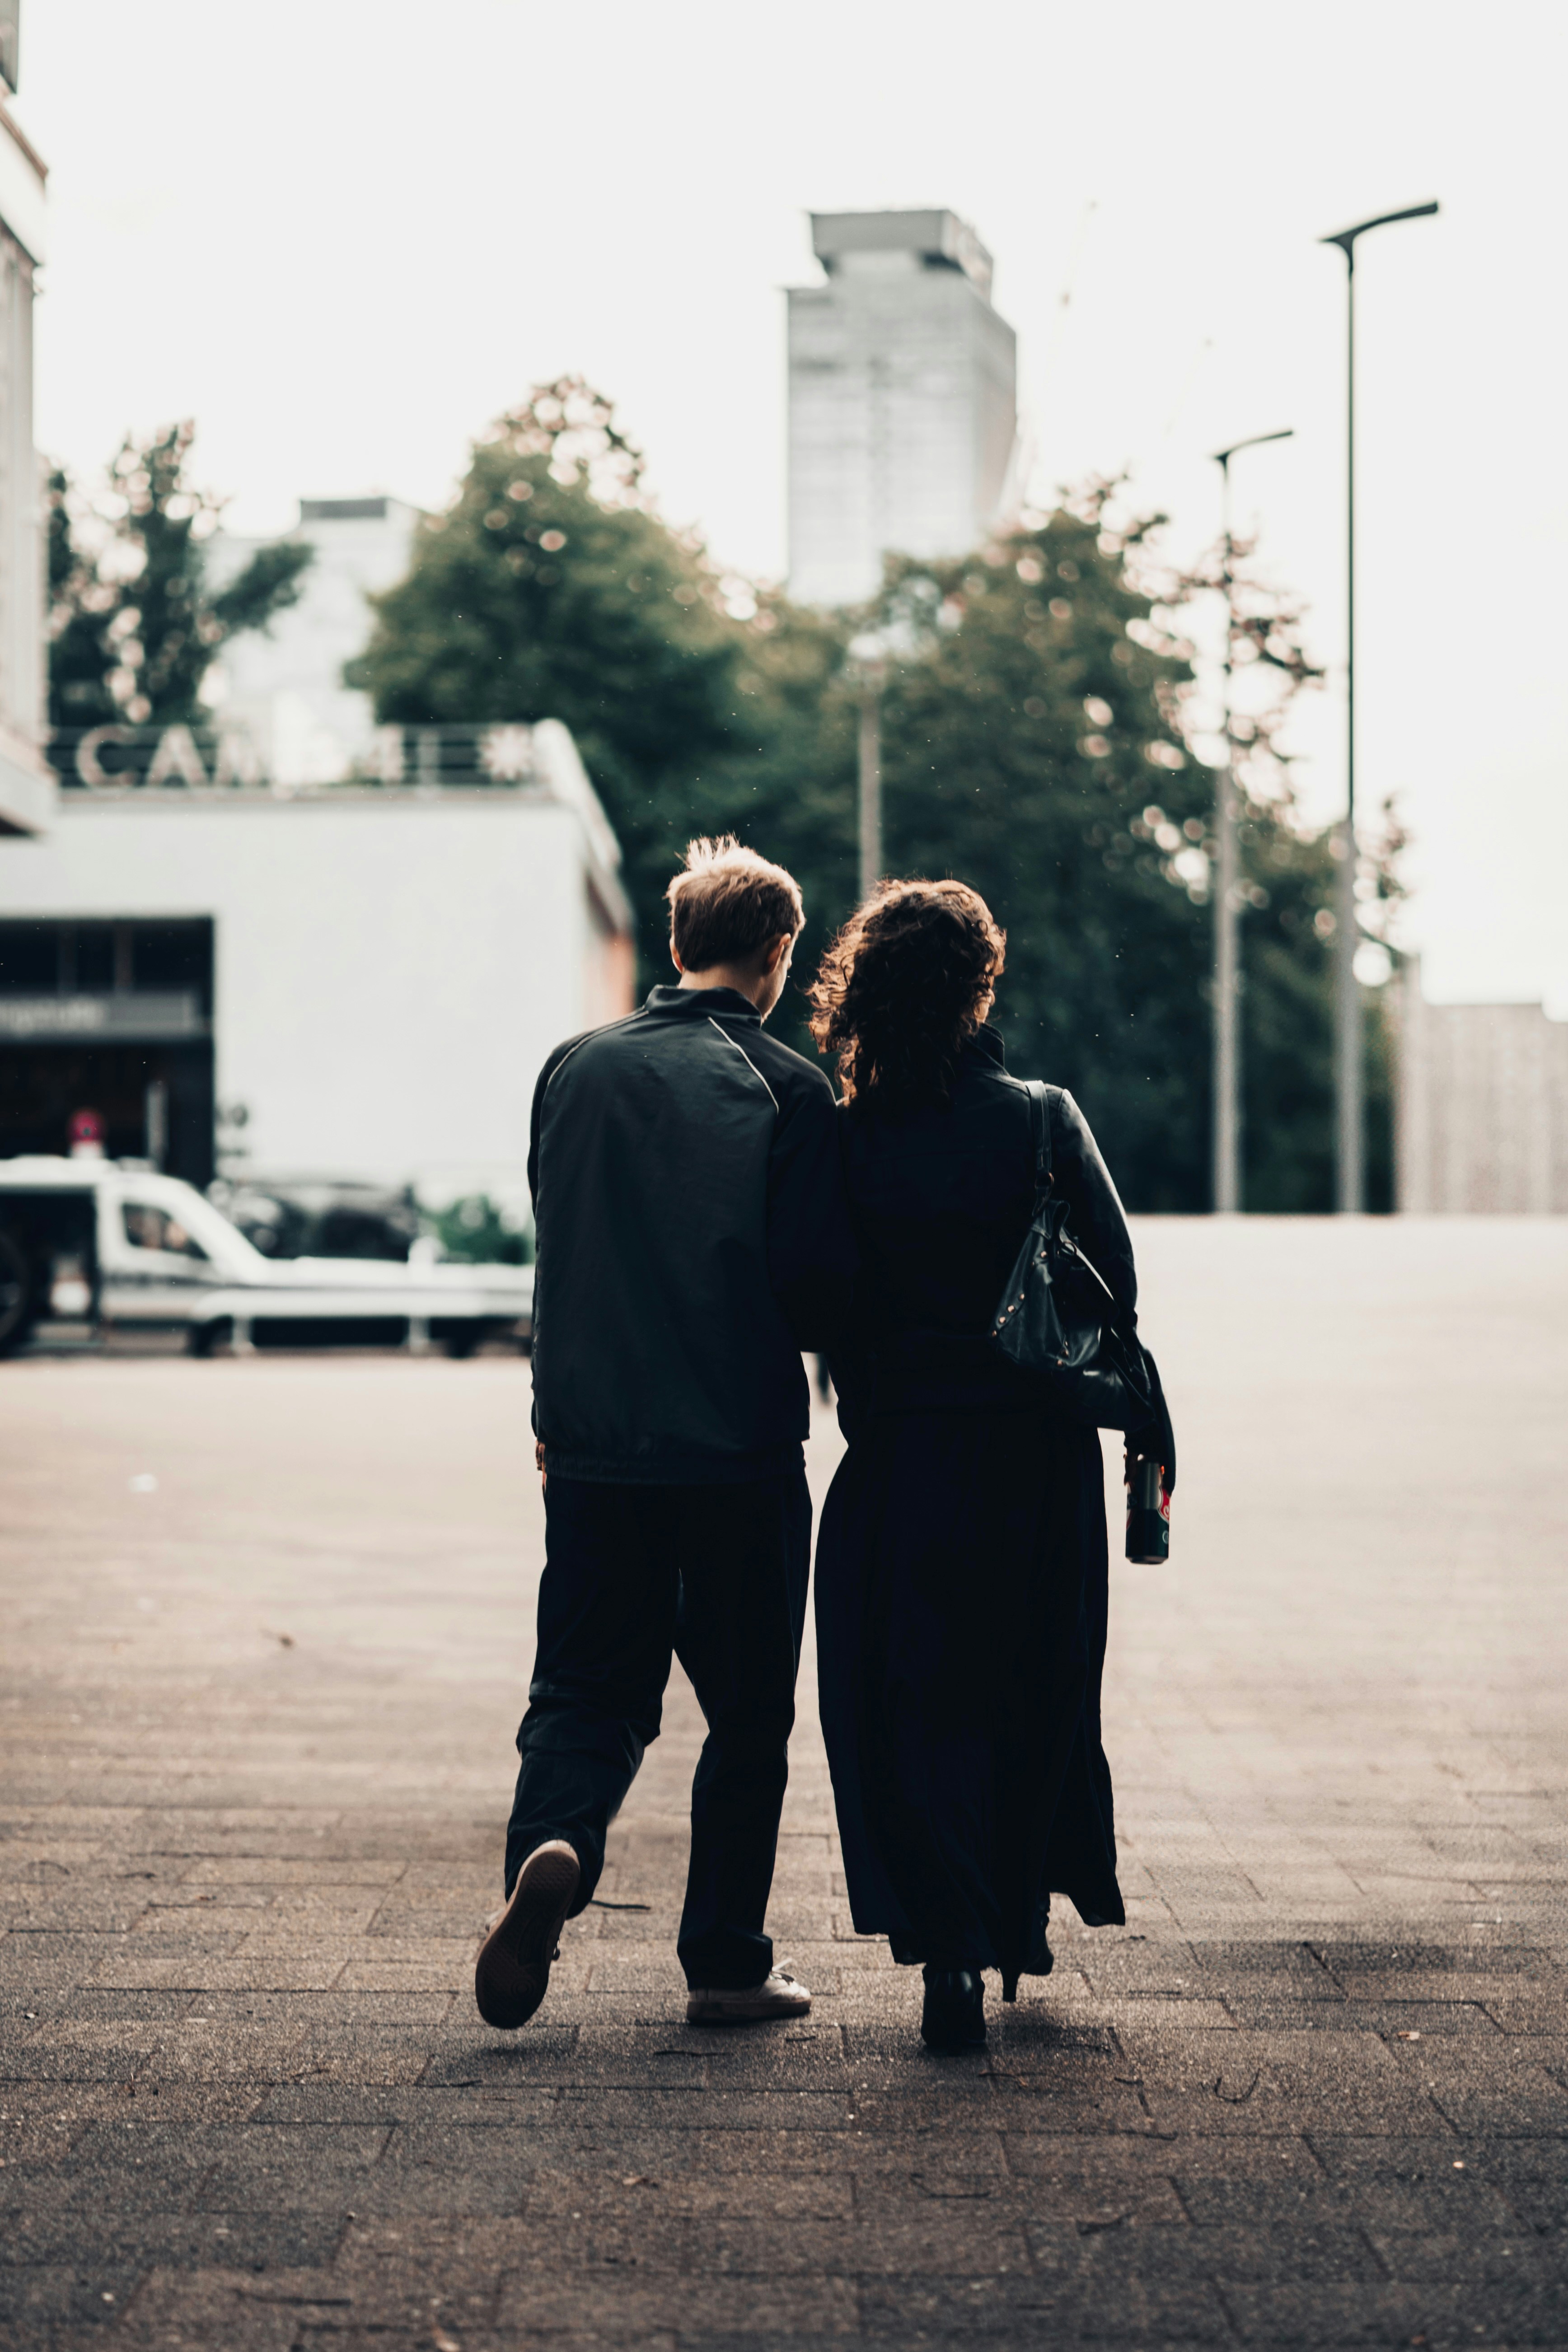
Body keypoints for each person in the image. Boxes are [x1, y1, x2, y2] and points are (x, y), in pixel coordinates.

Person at [476, 837, 855, 2033]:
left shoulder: (570, 1071)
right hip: (736, 1451)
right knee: (749, 1713)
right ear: (779, 953)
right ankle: (728, 1963)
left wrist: (553, 1414)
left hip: (592, 1451)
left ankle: (557, 1845)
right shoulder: (791, 1091)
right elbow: (808, 1283)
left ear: (678, 941)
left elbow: (558, 1255)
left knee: (586, 1684)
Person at [806, 879, 1173, 2054]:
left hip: (902, 1463)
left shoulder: (844, 1133)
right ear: (980, 984)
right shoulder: (1039, 1116)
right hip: (1031, 1460)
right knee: (1029, 1684)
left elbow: (816, 1297)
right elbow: (1116, 1277)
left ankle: (950, 1957)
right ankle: (1008, 1917)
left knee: (917, 1703)